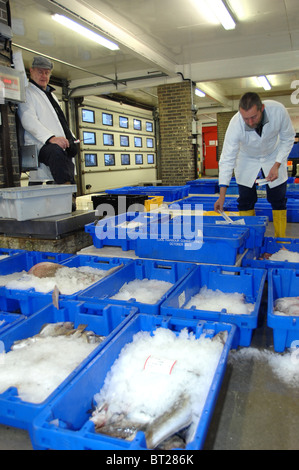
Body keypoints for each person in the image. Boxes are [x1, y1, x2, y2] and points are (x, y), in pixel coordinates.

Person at [214, 92, 295, 238]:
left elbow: (288, 137)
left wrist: (277, 164)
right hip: (246, 158)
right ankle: (251, 240)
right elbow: (227, 159)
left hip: (273, 155)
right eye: (246, 118)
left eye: (254, 117)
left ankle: (280, 241)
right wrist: (222, 197)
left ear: (262, 108)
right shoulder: (235, 124)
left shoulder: (278, 111)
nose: (250, 122)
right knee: (245, 200)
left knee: (278, 199)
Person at [18, 55, 77, 186]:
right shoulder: (27, 92)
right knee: (55, 153)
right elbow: (28, 119)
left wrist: (71, 138)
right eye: (40, 72)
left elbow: (61, 122)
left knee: (67, 154)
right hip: (41, 145)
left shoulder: (52, 96)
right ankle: (66, 191)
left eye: (46, 73)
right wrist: (51, 138)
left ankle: (69, 195)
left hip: (58, 148)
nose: (43, 76)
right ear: (31, 71)